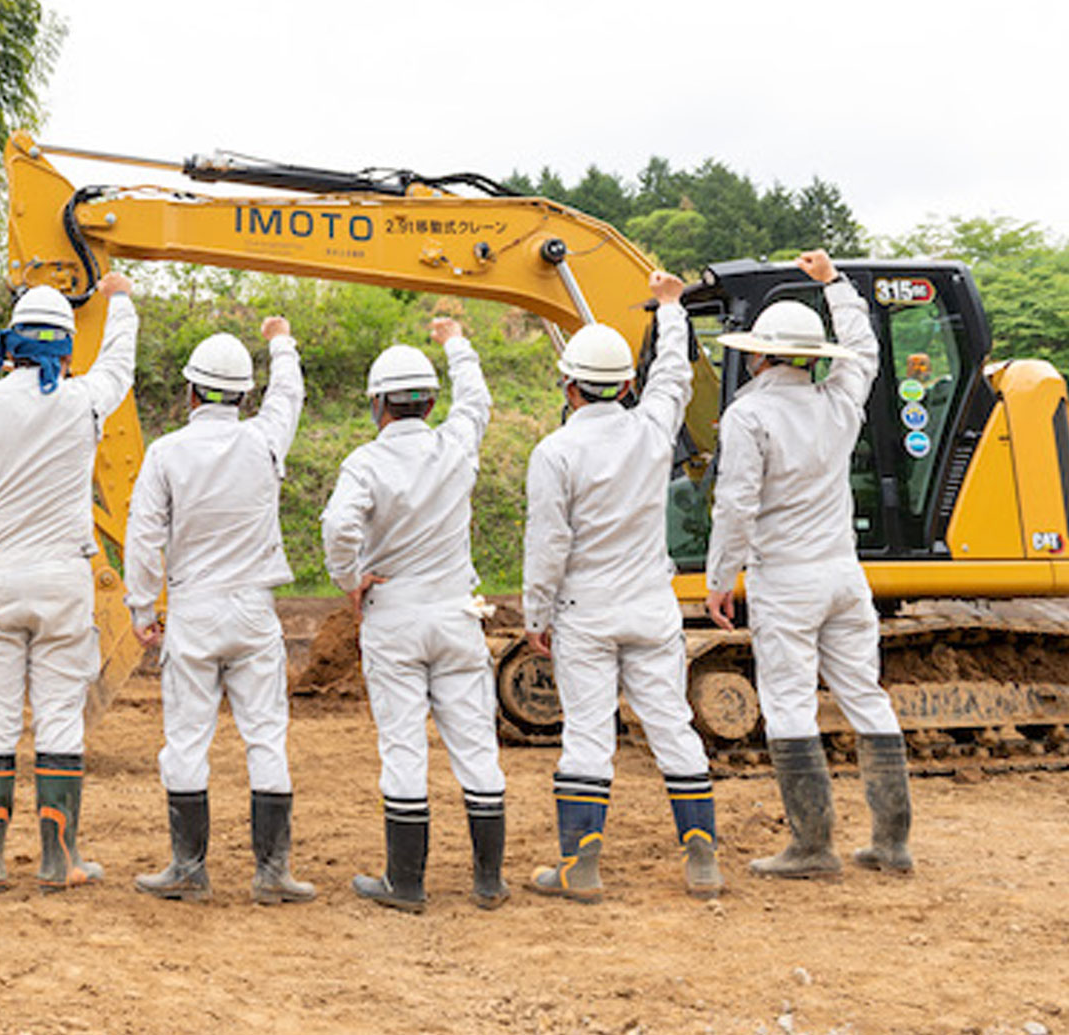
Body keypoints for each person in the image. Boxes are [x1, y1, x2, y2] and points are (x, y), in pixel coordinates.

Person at [0, 272, 138, 893]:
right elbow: (119, 360)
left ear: (9, 345)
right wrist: (119, 301)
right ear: (66, 350)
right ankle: (58, 860)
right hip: (64, 583)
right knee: (60, 717)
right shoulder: (85, 400)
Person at [706, 250, 913, 880]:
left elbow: (736, 503)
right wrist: (838, 287)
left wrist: (720, 579)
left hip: (787, 580)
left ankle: (812, 846)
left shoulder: (749, 415)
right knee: (866, 696)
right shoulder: (839, 401)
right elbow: (865, 349)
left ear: (758, 354)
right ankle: (891, 844)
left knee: (790, 702)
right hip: (844, 577)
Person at [522, 270, 723, 903]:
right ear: (626, 384)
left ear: (568, 384)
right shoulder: (650, 429)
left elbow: (549, 544)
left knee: (587, 734)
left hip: (586, 610)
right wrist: (669, 308)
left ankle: (580, 867)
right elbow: (675, 375)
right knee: (671, 724)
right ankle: (703, 862)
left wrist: (536, 614)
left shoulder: (555, 453)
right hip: (651, 605)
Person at [125, 317, 314, 906]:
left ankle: (188, 869)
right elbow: (290, 393)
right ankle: (273, 873)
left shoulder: (166, 452)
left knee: (185, 740)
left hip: (194, 609)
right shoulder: (263, 440)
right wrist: (282, 339)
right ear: (242, 396)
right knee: (265, 737)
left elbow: (143, 535)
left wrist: (140, 607)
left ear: (189, 393)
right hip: (255, 610)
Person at [321, 317, 507, 913]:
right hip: (457, 612)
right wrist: (456, 340)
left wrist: (350, 580)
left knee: (404, 748)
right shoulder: (456, 447)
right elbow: (476, 399)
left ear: (377, 404)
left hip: (393, 615)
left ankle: (406, 883)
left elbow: (337, 525)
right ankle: (487, 881)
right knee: (476, 747)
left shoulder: (365, 463)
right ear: (429, 401)